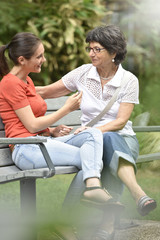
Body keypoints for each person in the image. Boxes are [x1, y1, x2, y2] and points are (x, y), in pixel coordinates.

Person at [36, 25, 157, 239]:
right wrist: (13, 89)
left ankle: (80, 222)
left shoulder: (129, 80)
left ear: (114, 52)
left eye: (98, 49)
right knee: (96, 158)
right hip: (92, 142)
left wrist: (93, 130)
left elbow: (120, 122)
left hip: (123, 140)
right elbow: (46, 91)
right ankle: (133, 197)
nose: (92, 53)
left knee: (107, 141)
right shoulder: (83, 73)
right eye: (90, 48)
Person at [0, 32, 124, 240]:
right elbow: (29, 125)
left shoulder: (27, 82)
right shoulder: (9, 83)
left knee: (92, 134)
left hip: (40, 142)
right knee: (90, 160)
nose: (44, 60)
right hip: (26, 149)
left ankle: (91, 187)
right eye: (39, 56)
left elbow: (26, 121)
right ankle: (68, 219)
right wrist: (66, 109)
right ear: (22, 60)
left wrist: (52, 131)